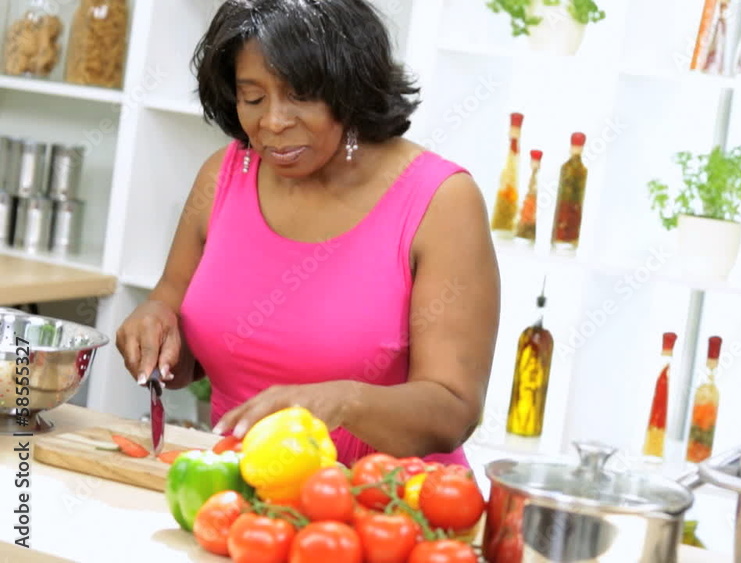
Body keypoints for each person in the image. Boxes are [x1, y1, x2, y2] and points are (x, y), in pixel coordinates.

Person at [114, 0, 501, 468]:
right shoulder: (224, 176)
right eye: (252, 99)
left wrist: (345, 402)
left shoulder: (440, 200)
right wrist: (154, 326)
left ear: (350, 89)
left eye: (299, 96)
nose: (273, 121)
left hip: (388, 500)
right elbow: (177, 348)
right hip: (243, 492)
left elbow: (454, 410)